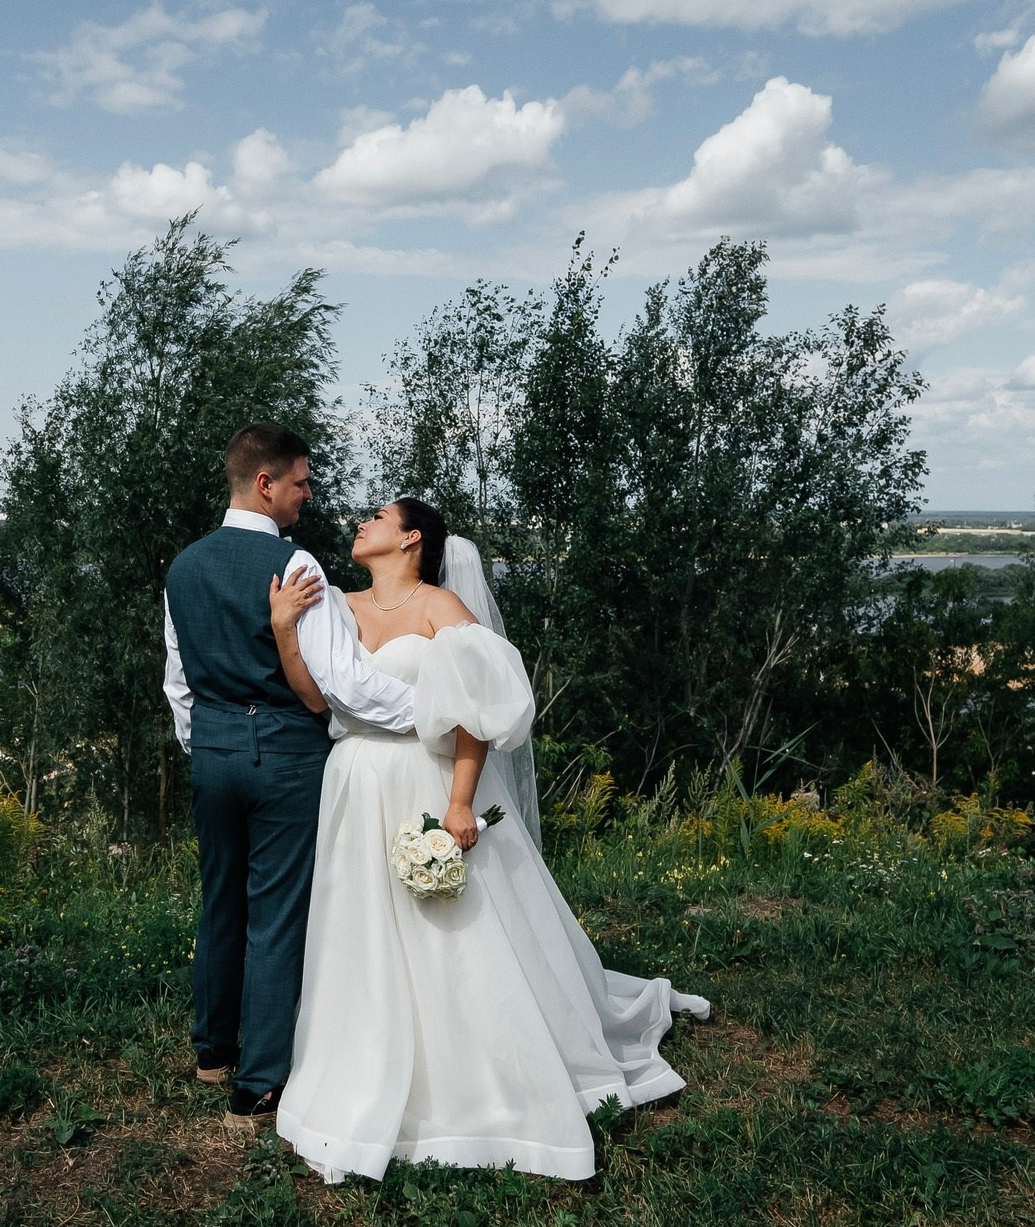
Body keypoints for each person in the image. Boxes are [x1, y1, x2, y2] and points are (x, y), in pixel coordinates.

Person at [265, 495, 710, 1184]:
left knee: (447, 931)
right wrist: (285, 630)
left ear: (411, 536)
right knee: (363, 927)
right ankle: (364, 1055)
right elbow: (317, 698)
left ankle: (472, 1077)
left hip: (424, 778)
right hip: (353, 780)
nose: (362, 522)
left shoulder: (442, 608)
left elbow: (478, 710)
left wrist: (461, 800)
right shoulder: (340, 604)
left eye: (378, 516)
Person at [162, 424, 417, 1131]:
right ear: (265, 482)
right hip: (283, 753)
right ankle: (259, 1084)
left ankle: (212, 1049)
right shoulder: (294, 563)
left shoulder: (183, 567)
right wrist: (431, 709)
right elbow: (342, 682)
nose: (310, 493)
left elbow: (177, 681)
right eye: (301, 481)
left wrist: (205, 746)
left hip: (212, 751)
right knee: (275, 914)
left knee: (220, 898)